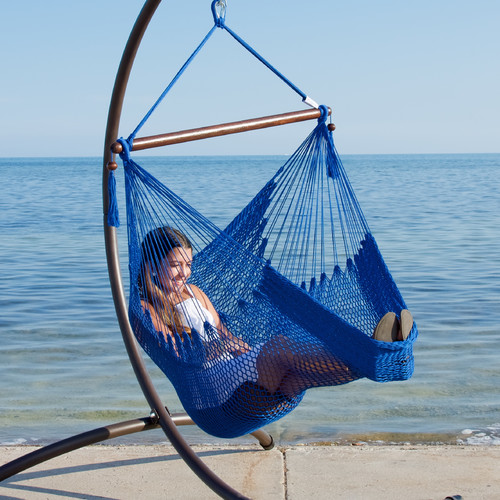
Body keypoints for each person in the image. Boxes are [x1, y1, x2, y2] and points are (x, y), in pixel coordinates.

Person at [138, 226, 412, 402]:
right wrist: (222, 347)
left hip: (237, 369)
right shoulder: (146, 308)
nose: (184, 273)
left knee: (299, 376)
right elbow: (178, 357)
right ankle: (371, 353)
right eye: (175, 265)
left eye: (188, 264)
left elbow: (224, 334)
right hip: (211, 385)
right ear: (151, 264)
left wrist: (239, 348)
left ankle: (378, 361)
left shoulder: (195, 291)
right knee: (280, 348)